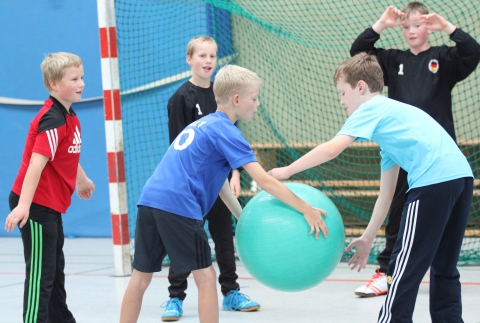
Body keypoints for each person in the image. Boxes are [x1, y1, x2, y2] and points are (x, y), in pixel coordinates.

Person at [269, 52, 473, 322]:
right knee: (445, 267)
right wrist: (367, 237)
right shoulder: (392, 126)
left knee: (402, 269)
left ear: (361, 87)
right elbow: (386, 196)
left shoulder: (370, 109)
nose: (342, 101)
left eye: (343, 93)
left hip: (433, 181)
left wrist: (286, 170)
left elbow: (332, 149)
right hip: (461, 177)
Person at [119, 64, 328, 323]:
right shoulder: (228, 131)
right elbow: (264, 181)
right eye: (254, 98)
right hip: (179, 206)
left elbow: (219, 185)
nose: (257, 104)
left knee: (140, 278)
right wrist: (305, 208)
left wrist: (242, 218)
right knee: (206, 278)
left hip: (150, 201)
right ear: (237, 99)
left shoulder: (203, 125)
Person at [349, 1, 480, 297]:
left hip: (438, 158)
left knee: (443, 218)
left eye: (418, 24)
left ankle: (441, 272)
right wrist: (382, 23)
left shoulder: (443, 59)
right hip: (403, 153)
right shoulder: (393, 60)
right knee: (398, 210)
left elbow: (473, 52)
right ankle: (387, 272)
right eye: (405, 26)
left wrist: (447, 27)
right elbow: (358, 53)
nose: (411, 31)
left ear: (429, 26)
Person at [161, 36, 259, 321]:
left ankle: (231, 291)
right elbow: (178, 147)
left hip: (220, 182)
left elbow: (232, 142)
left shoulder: (224, 94)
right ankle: (175, 297)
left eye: (212, 56)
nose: (207, 61)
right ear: (189, 59)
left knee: (224, 236)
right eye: (201, 56)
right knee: (184, 240)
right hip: (192, 189)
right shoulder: (181, 98)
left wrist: (236, 172)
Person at [4, 52, 95, 323]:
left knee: (55, 270)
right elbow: (36, 164)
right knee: (40, 275)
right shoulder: (52, 119)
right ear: (54, 84)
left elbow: (65, 155)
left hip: (50, 206)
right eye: (74, 79)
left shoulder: (69, 115)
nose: (81, 84)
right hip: (35, 206)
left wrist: (81, 179)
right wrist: (24, 206)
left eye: (82, 77)